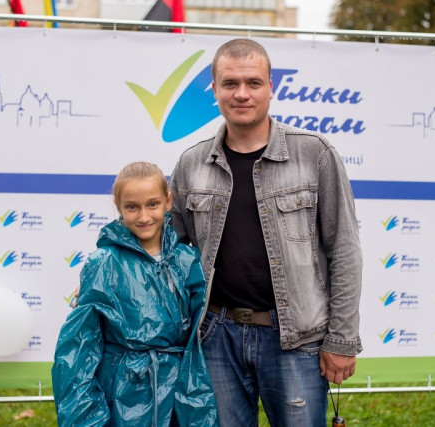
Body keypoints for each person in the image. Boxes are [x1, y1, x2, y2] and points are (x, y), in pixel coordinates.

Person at [169, 38, 363, 426]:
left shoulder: (315, 154)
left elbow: (344, 249)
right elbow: (167, 249)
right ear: (215, 90)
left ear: (271, 87)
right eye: (230, 83)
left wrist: (341, 339)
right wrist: (109, 279)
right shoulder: (191, 163)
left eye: (253, 83)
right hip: (216, 337)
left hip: (297, 340)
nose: (242, 93)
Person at [51, 162, 219, 426]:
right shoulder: (104, 263)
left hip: (178, 390)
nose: (143, 216)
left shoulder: (186, 260)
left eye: (152, 204)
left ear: (168, 202)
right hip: (123, 392)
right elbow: (79, 346)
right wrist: (87, 416)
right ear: (119, 207)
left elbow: (195, 339)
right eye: (132, 207)